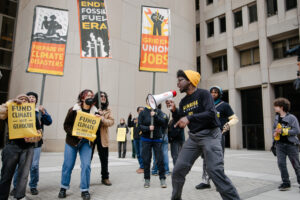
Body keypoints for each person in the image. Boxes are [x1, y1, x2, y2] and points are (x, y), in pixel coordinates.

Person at [170, 70, 240, 200]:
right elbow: (180, 119)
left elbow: (211, 114)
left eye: (180, 80)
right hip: (193, 138)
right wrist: (174, 111)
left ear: (190, 81)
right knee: (178, 171)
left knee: (215, 171)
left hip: (210, 135)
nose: (178, 83)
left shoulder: (204, 94)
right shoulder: (183, 101)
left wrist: (189, 117)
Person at [58, 89, 99, 200]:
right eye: (88, 95)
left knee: (86, 165)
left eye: (92, 95)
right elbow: (66, 125)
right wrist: (75, 134)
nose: (90, 97)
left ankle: (85, 190)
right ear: (82, 98)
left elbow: (96, 129)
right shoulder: (73, 110)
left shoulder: (95, 112)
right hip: (72, 142)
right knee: (68, 165)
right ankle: (63, 187)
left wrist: (98, 121)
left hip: (86, 143)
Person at [196, 86, 239, 190]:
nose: (213, 94)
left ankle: (220, 183)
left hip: (218, 136)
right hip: (206, 136)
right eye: (211, 92)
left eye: (215, 92)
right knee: (206, 159)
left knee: (218, 159)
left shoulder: (224, 105)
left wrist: (227, 125)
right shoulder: (205, 105)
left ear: (219, 94)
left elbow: (234, 118)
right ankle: (205, 181)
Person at [0, 94, 42, 200]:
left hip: (28, 148)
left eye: (26, 100)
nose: (23, 101)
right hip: (12, 146)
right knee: (6, 174)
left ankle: (19, 196)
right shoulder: (10, 111)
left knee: (23, 175)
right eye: (21, 99)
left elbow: (39, 133)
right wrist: (10, 103)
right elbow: (1, 113)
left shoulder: (32, 114)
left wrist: (33, 138)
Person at [11, 92, 52, 196]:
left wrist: (44, 113)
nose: (32, 98)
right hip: (22, 143)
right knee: (19, 166)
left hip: (36, 143)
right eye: (29, 97)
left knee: (34, 166)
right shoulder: (19, 108)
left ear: (36, 100)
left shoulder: (39, 111)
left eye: (34, 97)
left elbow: (49, 122)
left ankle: (33, 186)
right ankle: (16, 187)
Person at [138, 100, 168, 188]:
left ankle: (162, 179)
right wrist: (148, 128)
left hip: (157, 139)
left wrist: (155, 116)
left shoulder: (158, 111)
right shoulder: (143, 112)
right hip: (145, 139)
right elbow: (139, 126)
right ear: (147, 101)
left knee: (160, 159)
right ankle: (147, 179)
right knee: (146, 159)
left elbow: (164, 123)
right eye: (148, 100)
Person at [272, 97, 300, 191]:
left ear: (281, 107)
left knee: (296, 165)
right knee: (281, 164)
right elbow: (274, 129)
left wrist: (283, 131)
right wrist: (275, 133)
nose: (274, 108)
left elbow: (296, 130)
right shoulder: (276, 118)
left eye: (276, 106)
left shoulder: (292, 118)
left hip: (291, 145)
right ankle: (286, 183)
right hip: (279, 145)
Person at [92, 91, 114, 186]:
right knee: (87, 159)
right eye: (101, 96)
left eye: (105, 96)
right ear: (97, 98)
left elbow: (111, 122)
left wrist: (102, 118)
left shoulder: (108, 110)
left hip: (102, 137)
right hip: (91, 137)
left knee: (104, 159)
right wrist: (95, 114)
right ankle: (85, 179)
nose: (103, 97)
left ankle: (105, 178)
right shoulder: (91, 108)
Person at [151, 104, 170, 176]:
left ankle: (155, 170)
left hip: (157, 136)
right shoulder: (165, 115)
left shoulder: (154, 114)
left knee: (156, 153)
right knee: (165, 154)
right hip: (165, 135)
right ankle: (166, 171)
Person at [166, 99, 185, 166]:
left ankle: (177, 171)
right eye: (167, 103)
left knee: (176, 156)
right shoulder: (171, 116)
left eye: (170, 102)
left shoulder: (177, 112)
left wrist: (173, 108)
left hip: (177, 139)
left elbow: (176, 113)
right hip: (175, 139)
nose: (169, 104)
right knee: (176, 156)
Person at [127, 106, 144, 173]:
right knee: (138, 153)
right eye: (140, 110)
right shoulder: (135, 119)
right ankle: (141, 166)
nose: (141, 111)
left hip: (142, 138)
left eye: (142, 110)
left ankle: (142, 167)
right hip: (135, 138)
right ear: (137, 111)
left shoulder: (145, 118)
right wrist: (129, 118)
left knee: (142, 153)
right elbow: (130, 125)